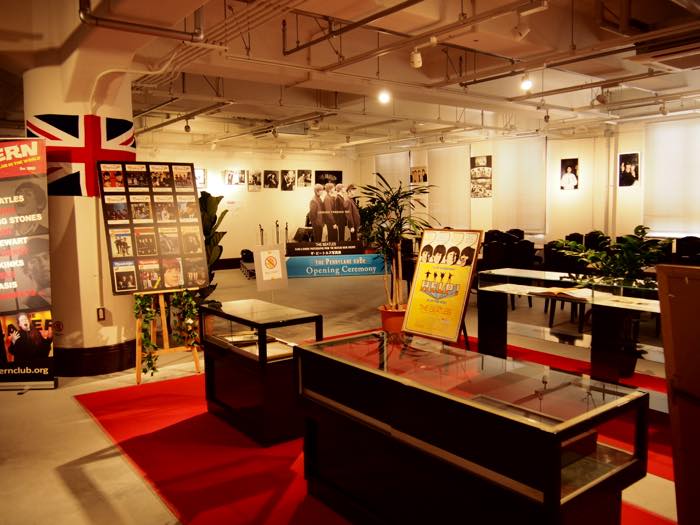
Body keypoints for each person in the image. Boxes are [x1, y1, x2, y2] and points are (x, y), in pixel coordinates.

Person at [23, 237, 51, 309]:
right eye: (34, 261)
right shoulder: (28, 306)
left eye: (46, 257)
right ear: (26, 271)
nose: (43, 263)